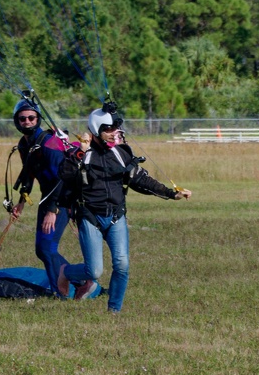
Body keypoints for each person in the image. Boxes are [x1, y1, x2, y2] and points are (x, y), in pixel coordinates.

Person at [57, 106, 191, 312]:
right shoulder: (81, 153)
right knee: (94, 271)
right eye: (109, 129)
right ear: (95, 129)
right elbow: (65, 175)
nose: (114, 133)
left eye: (116, 129)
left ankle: (114, 311)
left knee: (122, 265)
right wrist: (81, 151)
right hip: (90, 216)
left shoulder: (120, 153)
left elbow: (141, 180)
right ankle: (66, 272)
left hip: (116, 216)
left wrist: (172, 193)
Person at [9, 97, 77, 296]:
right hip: (47, 199)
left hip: (62, 200)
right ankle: (81, 281)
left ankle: (64, 290)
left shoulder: (50, 142)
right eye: (23, 119)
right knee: (42, 250)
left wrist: (53, 210)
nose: (27, 122)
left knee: (47, 248)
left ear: (38, 118)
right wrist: (21, 202)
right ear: (17, 122)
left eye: (31, 117)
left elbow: (61, 178)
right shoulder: (24, 144)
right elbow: (28, 174)